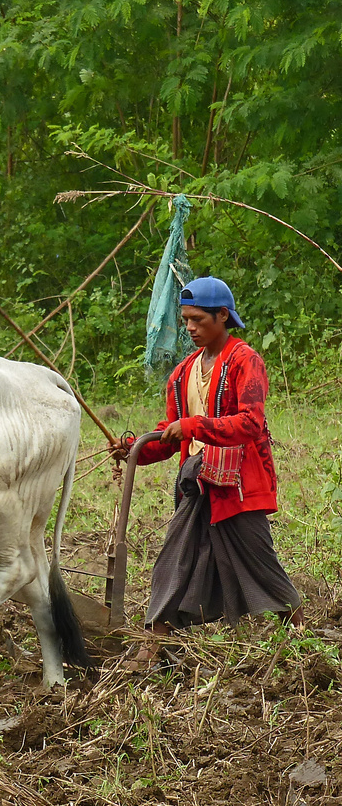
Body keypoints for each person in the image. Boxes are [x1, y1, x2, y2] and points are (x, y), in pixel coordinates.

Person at [116, 277, 302, 668]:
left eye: (198, 319)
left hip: (237, 484)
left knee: (259, 562)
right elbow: (170, 439)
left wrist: (195, 426)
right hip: (195, 482)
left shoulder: (245, 361)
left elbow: (251, 423)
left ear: (223, 315)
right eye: (186, 320)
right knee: (174, 558)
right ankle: (152, 645)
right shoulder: (182, 373)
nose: (190, 328)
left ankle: (299, 636)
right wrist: (134, 448)